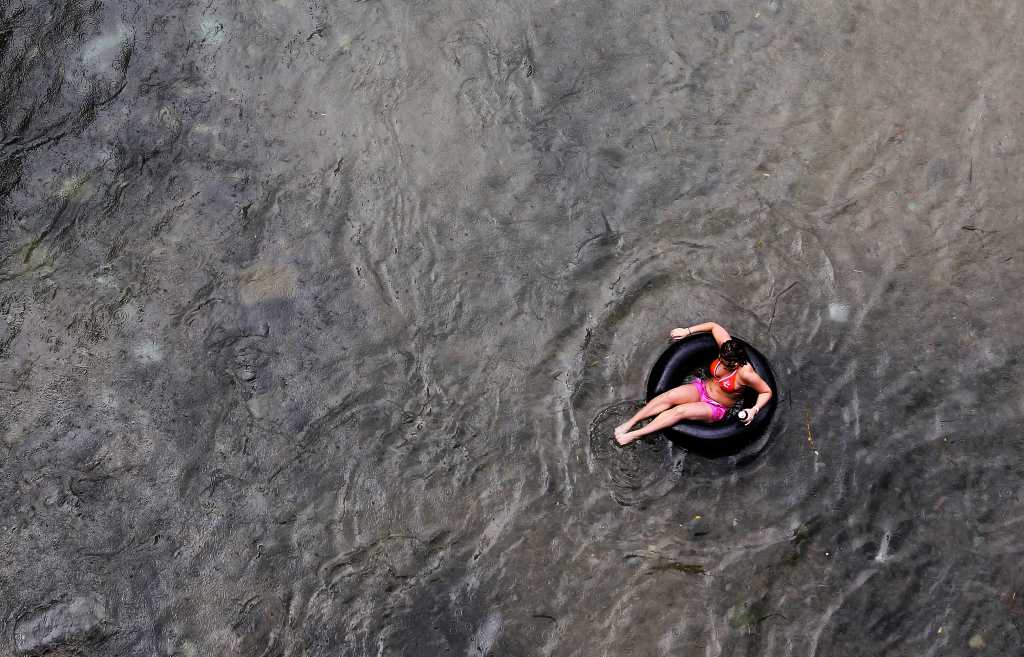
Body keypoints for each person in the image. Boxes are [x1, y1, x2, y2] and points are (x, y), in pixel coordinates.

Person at [614, 321, 773, 445]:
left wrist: (754, 409)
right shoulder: (727, 346)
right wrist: (687, 331)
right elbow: (714, 326)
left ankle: (635, 435)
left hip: (715, 406)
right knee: (669, 396)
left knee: (680, 411)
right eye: (721, 359)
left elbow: (766, 392)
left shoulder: (746, 373)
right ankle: (630, 423)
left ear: (736, 363)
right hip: (701, 388)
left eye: (726, 363)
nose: (722, 364)